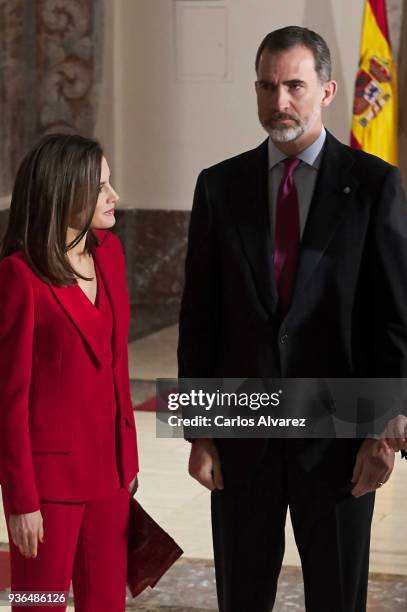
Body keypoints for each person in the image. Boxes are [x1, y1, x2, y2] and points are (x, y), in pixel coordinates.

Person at [178, 26, 407, 612]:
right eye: (266, 86)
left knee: (336, 599)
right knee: (242, 597)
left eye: (294, 87)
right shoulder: (219, 186)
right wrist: (200, 430)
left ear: (327, 91)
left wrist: (387, 432)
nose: (279, 102)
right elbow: (199, 316)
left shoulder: (375, 186)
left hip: (339, 443)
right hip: (241, 438)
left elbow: (395, 321)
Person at [0, 134, 139, 611]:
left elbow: (117, 365)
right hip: (49, 488)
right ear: (65, 192)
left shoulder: (111, 254)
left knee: (106, 605)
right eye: (100, 186)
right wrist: (20, 502)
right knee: (39, 604)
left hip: (111, 475)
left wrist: (130, 460)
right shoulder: (20, 276)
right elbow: (10, 401)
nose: (113, 195)